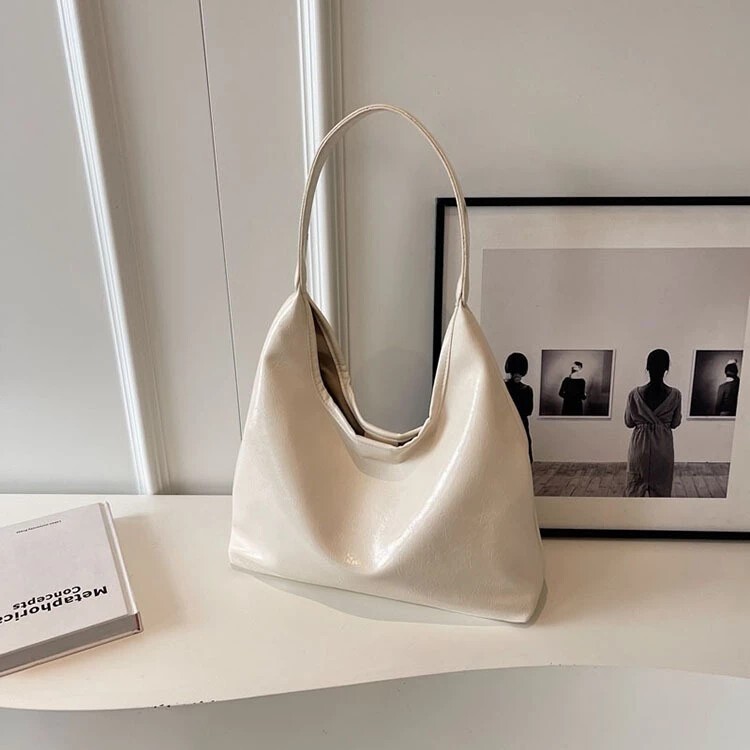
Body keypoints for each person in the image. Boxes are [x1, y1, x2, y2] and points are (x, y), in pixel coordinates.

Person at [624, 349, 682, 497]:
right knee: (661, 494)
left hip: (639, 448)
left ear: (647, 367)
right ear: (666, 368)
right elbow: (675, 423)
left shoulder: (634, 394)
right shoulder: (675, 395)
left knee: (634, 492)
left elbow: (629, 422)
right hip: (663, 448)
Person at [504, 352, 534, 462]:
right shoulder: (527, 389)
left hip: (507, 422)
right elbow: (528, 411)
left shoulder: (504, 388)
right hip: (519, 422)